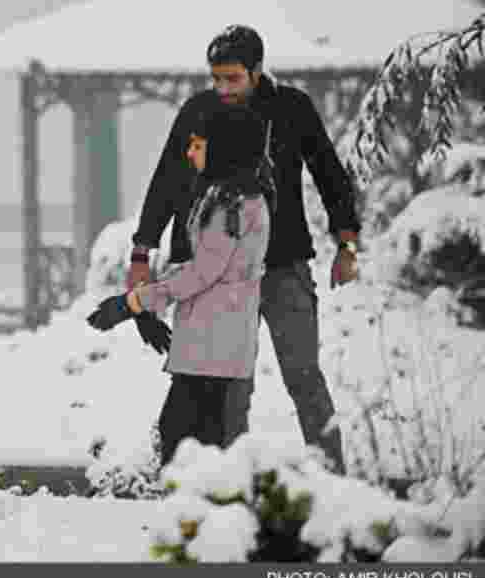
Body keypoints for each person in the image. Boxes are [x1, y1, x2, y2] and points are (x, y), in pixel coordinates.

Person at [124, 25, 361, 474]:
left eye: (232, 78)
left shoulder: (291, 108)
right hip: (219, 275)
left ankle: (335, 478)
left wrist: (346, 241)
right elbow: (167, 181)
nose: (223, 88)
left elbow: (329, 173)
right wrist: (142, 251)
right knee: (229, 384)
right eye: (216, 78)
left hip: (283, 264)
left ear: (257, 71)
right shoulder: (199, 112)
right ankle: (224, 484)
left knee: (304, 375)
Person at [88, 106, 272, 467]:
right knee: (191, 438)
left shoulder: (229, 207)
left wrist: (133, 303)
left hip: (213, 344)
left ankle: (192, 514)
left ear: (221, 148)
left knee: (183, 438)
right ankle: (195, 512)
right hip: (212, 340)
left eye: (197, 146)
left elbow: (200, 273)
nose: (189, 154)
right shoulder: (230, 198)